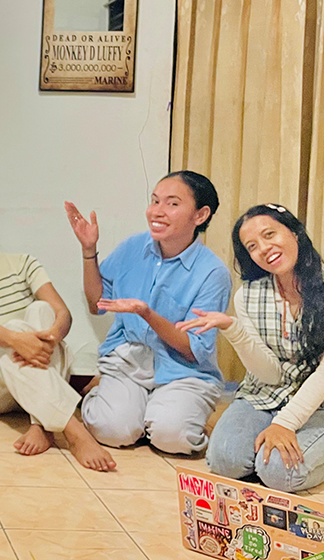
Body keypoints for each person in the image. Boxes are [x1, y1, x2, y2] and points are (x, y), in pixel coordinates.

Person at [0, 198, 115, 470]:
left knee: (41, 309)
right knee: (16, 328)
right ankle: (75, 432)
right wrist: (18, 340)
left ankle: (40, 424)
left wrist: (50, 338)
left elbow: (62, 314)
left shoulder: (23, 263)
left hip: (35, 363)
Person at [65, 171, 230, 455]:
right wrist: (89, 250)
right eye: (155, 201)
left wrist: (147, 314)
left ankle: (164, 413)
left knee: (172, 437)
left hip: (183, 370)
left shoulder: (213, 273)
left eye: (172, 204)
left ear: (200, 215)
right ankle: (108, 397)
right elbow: (97, 303)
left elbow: (192, 349)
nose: (157, 211)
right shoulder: (133, 247)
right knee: (113, 431)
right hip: (129, 361)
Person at [182, 204, 324, 492]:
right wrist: (232, 329)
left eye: (270, 234)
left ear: (295, 232)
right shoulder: (249, 295)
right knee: (225, 461)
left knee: (280, 473)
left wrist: (285, 423)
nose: (264, 248)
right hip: (267, 392)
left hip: (320, 401)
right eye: (252, 246)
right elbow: (270, 374)